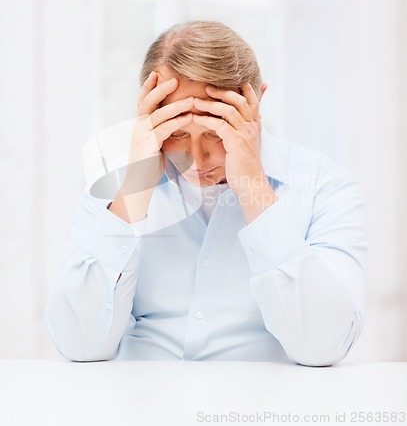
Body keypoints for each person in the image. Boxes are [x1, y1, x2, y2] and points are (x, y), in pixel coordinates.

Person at [45, 21, 367, 366]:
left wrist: (253, 187)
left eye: (216, 133)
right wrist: (135, 188)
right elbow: (77, 344)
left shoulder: (323, 186)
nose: (196, 161)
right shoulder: (113, 186)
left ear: (257, 105)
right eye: (178, 134)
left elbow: (324, 347)